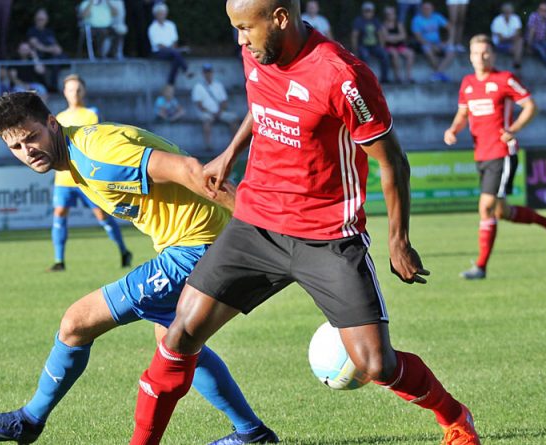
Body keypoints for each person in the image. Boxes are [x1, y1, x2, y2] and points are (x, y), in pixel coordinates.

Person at [128, 2, 480, 445]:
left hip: (327, 236)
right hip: (256, 223)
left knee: (375, 364)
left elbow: (392, 161)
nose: (239, 39)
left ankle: (454, 417)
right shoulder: (259, 50)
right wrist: (231, 152)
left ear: (279, 18)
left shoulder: (343, 75)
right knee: (181, 333)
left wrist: (398, 240)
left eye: (245, 28)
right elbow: (263, 99)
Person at [0, 91, 279, 445]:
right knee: (177, 341)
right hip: (196, 244)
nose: (27, 151)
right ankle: (251, 432)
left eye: (31, 137)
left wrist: (267, 227)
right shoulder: (80, 157)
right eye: (16, 147)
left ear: (52, 123)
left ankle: (29, 420)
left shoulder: (98, 154)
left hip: (197, 247)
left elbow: (193, 171)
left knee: (76, 323)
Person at [443, 34, 546, 280]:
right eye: (476, 53)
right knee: (501, 212)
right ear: (470, 56)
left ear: (493, 54)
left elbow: (531, 106)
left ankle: (481, 267)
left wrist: (513, 130)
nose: (481, 57)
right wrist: (453, 130)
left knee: (485, 207)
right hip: (482, 154)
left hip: (502, 152)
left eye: (486, 52)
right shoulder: (467, 83)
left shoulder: (505, 79)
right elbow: (462, 113)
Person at [49, 73, 132, 271]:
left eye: (78, 89)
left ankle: (123, 250)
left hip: (86, 176)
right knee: (59, 213)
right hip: (64, 178)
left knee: (102, 216)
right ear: (64, 93)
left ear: (84, 91)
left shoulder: (92, 114)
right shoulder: (59, 117)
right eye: (71, 89)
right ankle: (59, 261)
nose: (75, 93)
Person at [192, 63, 239, 152]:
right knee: (206, 120)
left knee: (234, 118)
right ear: (203, 73)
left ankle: (234, 145)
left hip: (219, 112)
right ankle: (208, 146)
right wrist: (212, 113)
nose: (208, 74)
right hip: (206, 113)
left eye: (209, 72)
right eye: (206, 72)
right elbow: (199, 105)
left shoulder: (218, 85)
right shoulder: (198, 87)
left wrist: (219, 112)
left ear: (212, 73)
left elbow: (224, 101)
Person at [148, 3, 192, 86]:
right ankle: (186, 70)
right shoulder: (152, 28)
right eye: (160, 13)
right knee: (176, 53)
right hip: (159, 52)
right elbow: (158, 45)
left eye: (163, 13)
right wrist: (172, 50)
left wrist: (173, 49)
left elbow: (174, 42)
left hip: (172, 51)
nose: (162, 15)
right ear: (156, 15)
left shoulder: (171, 25)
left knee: (176, 56)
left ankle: (170, 83)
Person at [411, 2, 455, 82]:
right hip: (425, 43)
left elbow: (450, 27)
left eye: (429, 8)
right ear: (421, 9)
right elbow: (418, 37)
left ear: (432, 9)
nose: (427, 10)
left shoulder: (437, 17)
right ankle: (440, 74)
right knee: (428, 51)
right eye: (425, 8)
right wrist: (432, 45)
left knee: (451, 50)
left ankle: (437, 74)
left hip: (438, 42)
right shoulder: (417, 19)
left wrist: (449, 40)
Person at [351, 2, 390, 84]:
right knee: (365, 57)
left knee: (385, 55)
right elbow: (355, 35)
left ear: (373, 11)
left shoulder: (376, 20)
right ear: (363, 11)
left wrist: (382, 46)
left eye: (370, 11)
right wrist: (355, 49)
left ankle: (385, 78)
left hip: (375, 46)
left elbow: (380, 34)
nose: (368, 13)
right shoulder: (359, 21)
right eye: (366, 11)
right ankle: (367, 80)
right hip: (363, 46)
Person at [26, 8, 64, 91]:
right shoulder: (32, 31)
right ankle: (46, 87)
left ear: (46, 20)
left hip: (49, 57)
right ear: (35, 19)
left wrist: (55, 49)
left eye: (42, 19)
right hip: (36, 58)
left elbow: (57, 47)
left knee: (58, 60)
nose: (40, 21)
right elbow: (36, 46)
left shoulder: (49, 31)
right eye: (39, 19)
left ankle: (54, 87)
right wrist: (50, 49)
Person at [381, 5, 415, 84]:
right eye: (389, 14)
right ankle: (398, 76)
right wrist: (397, 37)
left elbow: (403, 36)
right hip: (389, 47)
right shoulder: (383, 25)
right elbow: (386, 38)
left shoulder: (398, 24)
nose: (391, 16)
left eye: (392, 13)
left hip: (400, 46)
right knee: (394, 54)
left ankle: (409, 76)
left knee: (410, 54)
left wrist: (393, 37)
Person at [490, 3, 523, 72]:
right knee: (516, 48)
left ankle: (517, 63)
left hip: (510, 41)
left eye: (509, 11)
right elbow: (501, 39)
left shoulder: (515, 18)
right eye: (506, 11)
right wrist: (512, 37)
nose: (508, 13)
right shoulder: (497, 20)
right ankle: (517, 65)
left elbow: (518, 33)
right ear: (503, 11)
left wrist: (511, 38)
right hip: (499, 44)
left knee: (520, 41)